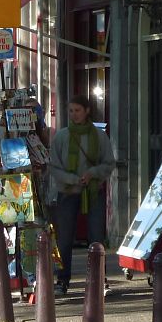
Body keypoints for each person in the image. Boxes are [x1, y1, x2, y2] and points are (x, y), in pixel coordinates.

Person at [46, 95, 115, 295]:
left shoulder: (100, 137)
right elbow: (54, 167)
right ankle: (62, 279)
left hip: (93, 192)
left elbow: (108, 163)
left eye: (77, 110)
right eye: (70, 111)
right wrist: (72, 179)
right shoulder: (61, 137)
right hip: (67, 193)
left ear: (87, 111)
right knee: (64, 238)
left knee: (96, 237)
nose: (74, 114)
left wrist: (92, 174)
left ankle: (99, 279)